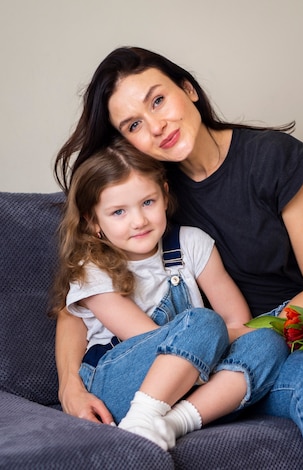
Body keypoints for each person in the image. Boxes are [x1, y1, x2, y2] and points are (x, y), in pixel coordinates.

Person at [53, 46, 303, 469]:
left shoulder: (273, 158)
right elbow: (76, 302)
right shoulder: (147, 200)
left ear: (188, 90)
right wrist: (69, 386)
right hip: (269, 351)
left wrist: (237, 337)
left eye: (158, 100)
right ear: (127, 140)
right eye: (134, 124)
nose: (156, 125)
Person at [50, 140, 288, 451]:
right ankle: (141, 418)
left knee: (268, 339)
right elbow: (149, 338)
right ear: (93, 222)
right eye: (118, 212)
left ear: (164, 194)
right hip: (121, 379)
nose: (139, 221)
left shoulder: (192, 243)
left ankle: (169, 425)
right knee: (203, 322)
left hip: (187, 381)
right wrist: (208, 335)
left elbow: (240, 322)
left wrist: (213, 337)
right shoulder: (91, 268)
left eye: (147, 202)